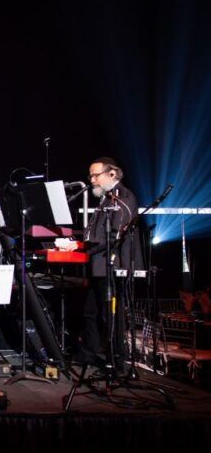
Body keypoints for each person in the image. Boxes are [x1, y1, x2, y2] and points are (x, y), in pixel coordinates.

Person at [62, 157, 142, 368]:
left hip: (113, 266)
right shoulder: (107, 198)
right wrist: (75, 241)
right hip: (98, 265)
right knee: (91, 313)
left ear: (112, 174)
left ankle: (117, 360)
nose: (92, 180)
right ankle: (88, 354)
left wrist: (81, 246)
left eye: (96, 175)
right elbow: (95, 234)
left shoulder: (122, 198)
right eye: (90, 176)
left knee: (111, 316)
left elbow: (114, 235)